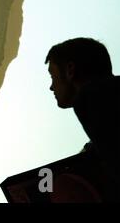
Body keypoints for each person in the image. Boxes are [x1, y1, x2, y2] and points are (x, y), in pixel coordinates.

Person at [45, 37, 120, 201]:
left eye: (52, 76)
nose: (51, 87)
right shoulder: (110, 92)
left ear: (70, 70)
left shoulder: (90, 97)